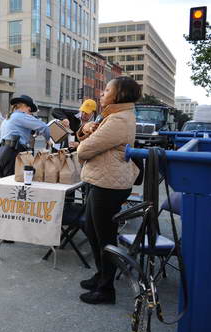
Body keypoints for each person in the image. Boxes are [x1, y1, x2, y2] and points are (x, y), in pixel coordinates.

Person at [76, 76, 141, 305]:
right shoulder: (112, 116)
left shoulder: (119, 119)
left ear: (119, 94)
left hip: (109, 184)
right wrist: (86, 128)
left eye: (107, 90)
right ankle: (101, 275)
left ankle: (106, 289)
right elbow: (86, 140)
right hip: (102, 180)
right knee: (91, 229)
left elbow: (84, 149)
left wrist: (85, 137)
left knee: (104, 236)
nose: (102, 93)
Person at [0, 95, 51, 178]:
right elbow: (44, 127)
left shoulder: (8, 118)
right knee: (13, 185)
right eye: (30, 110)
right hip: (12, 152)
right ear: (24, 106)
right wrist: (47, 140)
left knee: (4, 185)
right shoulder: (20, 116)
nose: (30, 113)